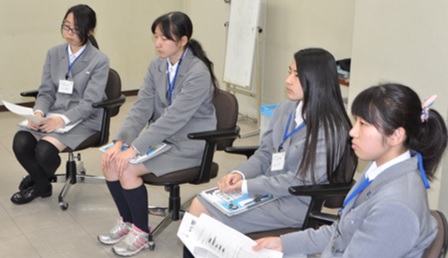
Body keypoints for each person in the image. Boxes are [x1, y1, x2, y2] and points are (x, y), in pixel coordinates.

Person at [253, 83, 448, 257]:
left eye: (363, 124)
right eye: (356, 121)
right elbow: (341, 231)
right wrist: (284, 243)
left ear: (396, 136)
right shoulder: (378, 168)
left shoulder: (396, 206)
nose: (352, 132)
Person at [187, 48, 353, 234]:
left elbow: (299, 181)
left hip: (291, 205)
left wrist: (247, 186)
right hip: (265, 192)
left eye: (297, 76)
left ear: (317, 81)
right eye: (289, 72)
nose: (288, 80)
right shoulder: (285, 108)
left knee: (201, 209)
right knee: (202, 203)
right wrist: (240, 174)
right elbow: (265, 153)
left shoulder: (331, 129)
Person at [97, 11, 218, 257]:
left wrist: (134, 149)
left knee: (128, 167)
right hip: (162, 141)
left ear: (183, 41)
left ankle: (141, 232)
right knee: (110, 161)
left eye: (165, 38)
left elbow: (174, 118)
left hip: (189, 145)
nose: (158, 44)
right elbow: (141, 107)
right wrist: (120, 142)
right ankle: (129, 221)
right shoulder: (157, 65)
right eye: (155, 37)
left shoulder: (197, 72)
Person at [10, 4, 109, 205]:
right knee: (21, 141)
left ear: (89, 31)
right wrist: (38, 113)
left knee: (45, 150)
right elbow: (46, 91)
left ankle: (39, 183)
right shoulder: (54, 53)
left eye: (76, 29)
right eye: (66, 27)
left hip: (83, 119)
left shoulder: (99, 60)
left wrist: (61, 120)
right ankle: (42, 182)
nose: (69, 33)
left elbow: (90, 102)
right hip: (53, 114)